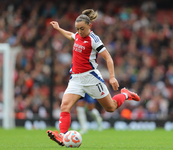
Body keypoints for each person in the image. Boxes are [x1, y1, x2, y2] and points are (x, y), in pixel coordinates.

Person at [47, 9, 140, 146]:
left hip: (91, 78)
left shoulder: (94, 39)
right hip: (76, 79)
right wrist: (59, 28)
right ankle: (62, 135)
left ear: (89, 26)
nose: (79, 32)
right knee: (65, 106)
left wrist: (113, 77)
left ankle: (126, 94)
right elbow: (70, 35)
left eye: (82, 29)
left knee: (110, 107)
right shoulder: (78, 35)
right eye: (78, 29)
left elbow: (108, 58)